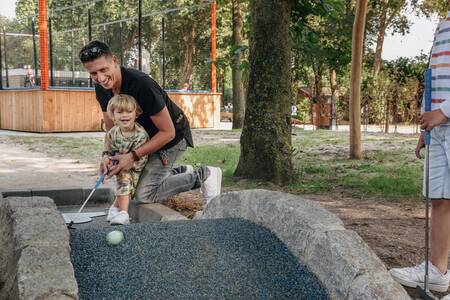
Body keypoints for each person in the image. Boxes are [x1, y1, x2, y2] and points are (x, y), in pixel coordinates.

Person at [79, 40, 222, 209]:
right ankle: (182, 171)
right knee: (130, 186)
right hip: (143, 140)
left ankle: (204, 174)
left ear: (114, 61)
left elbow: (168, 132)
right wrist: (108, 155)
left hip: (171, 138)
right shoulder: (101, 87)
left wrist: (132, 156)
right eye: (93, 73)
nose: (100, 78)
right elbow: (113, 129)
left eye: (103, 70)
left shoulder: (141, 84)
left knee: (143, 194)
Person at [389, 12, 450, 293]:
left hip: (445, 118)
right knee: (440, 198)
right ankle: (438, 270)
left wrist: (443, 112)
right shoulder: (443, 25)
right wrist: (426, 130)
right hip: (438, 130)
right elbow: (434, 79)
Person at [103, 94, 149, 225]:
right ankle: (117, 208)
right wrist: (109, 160)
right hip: (122, 169)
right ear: (113, 115)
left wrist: (122, 165)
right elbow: (109, 149)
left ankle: (123, 213)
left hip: (136, 168)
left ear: (136, 113)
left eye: (129, 111)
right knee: (122, 182)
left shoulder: (140, 135)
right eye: (120, 112)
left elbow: (141, 161)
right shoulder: (113, 132)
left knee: (124, 183)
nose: (125, 115)